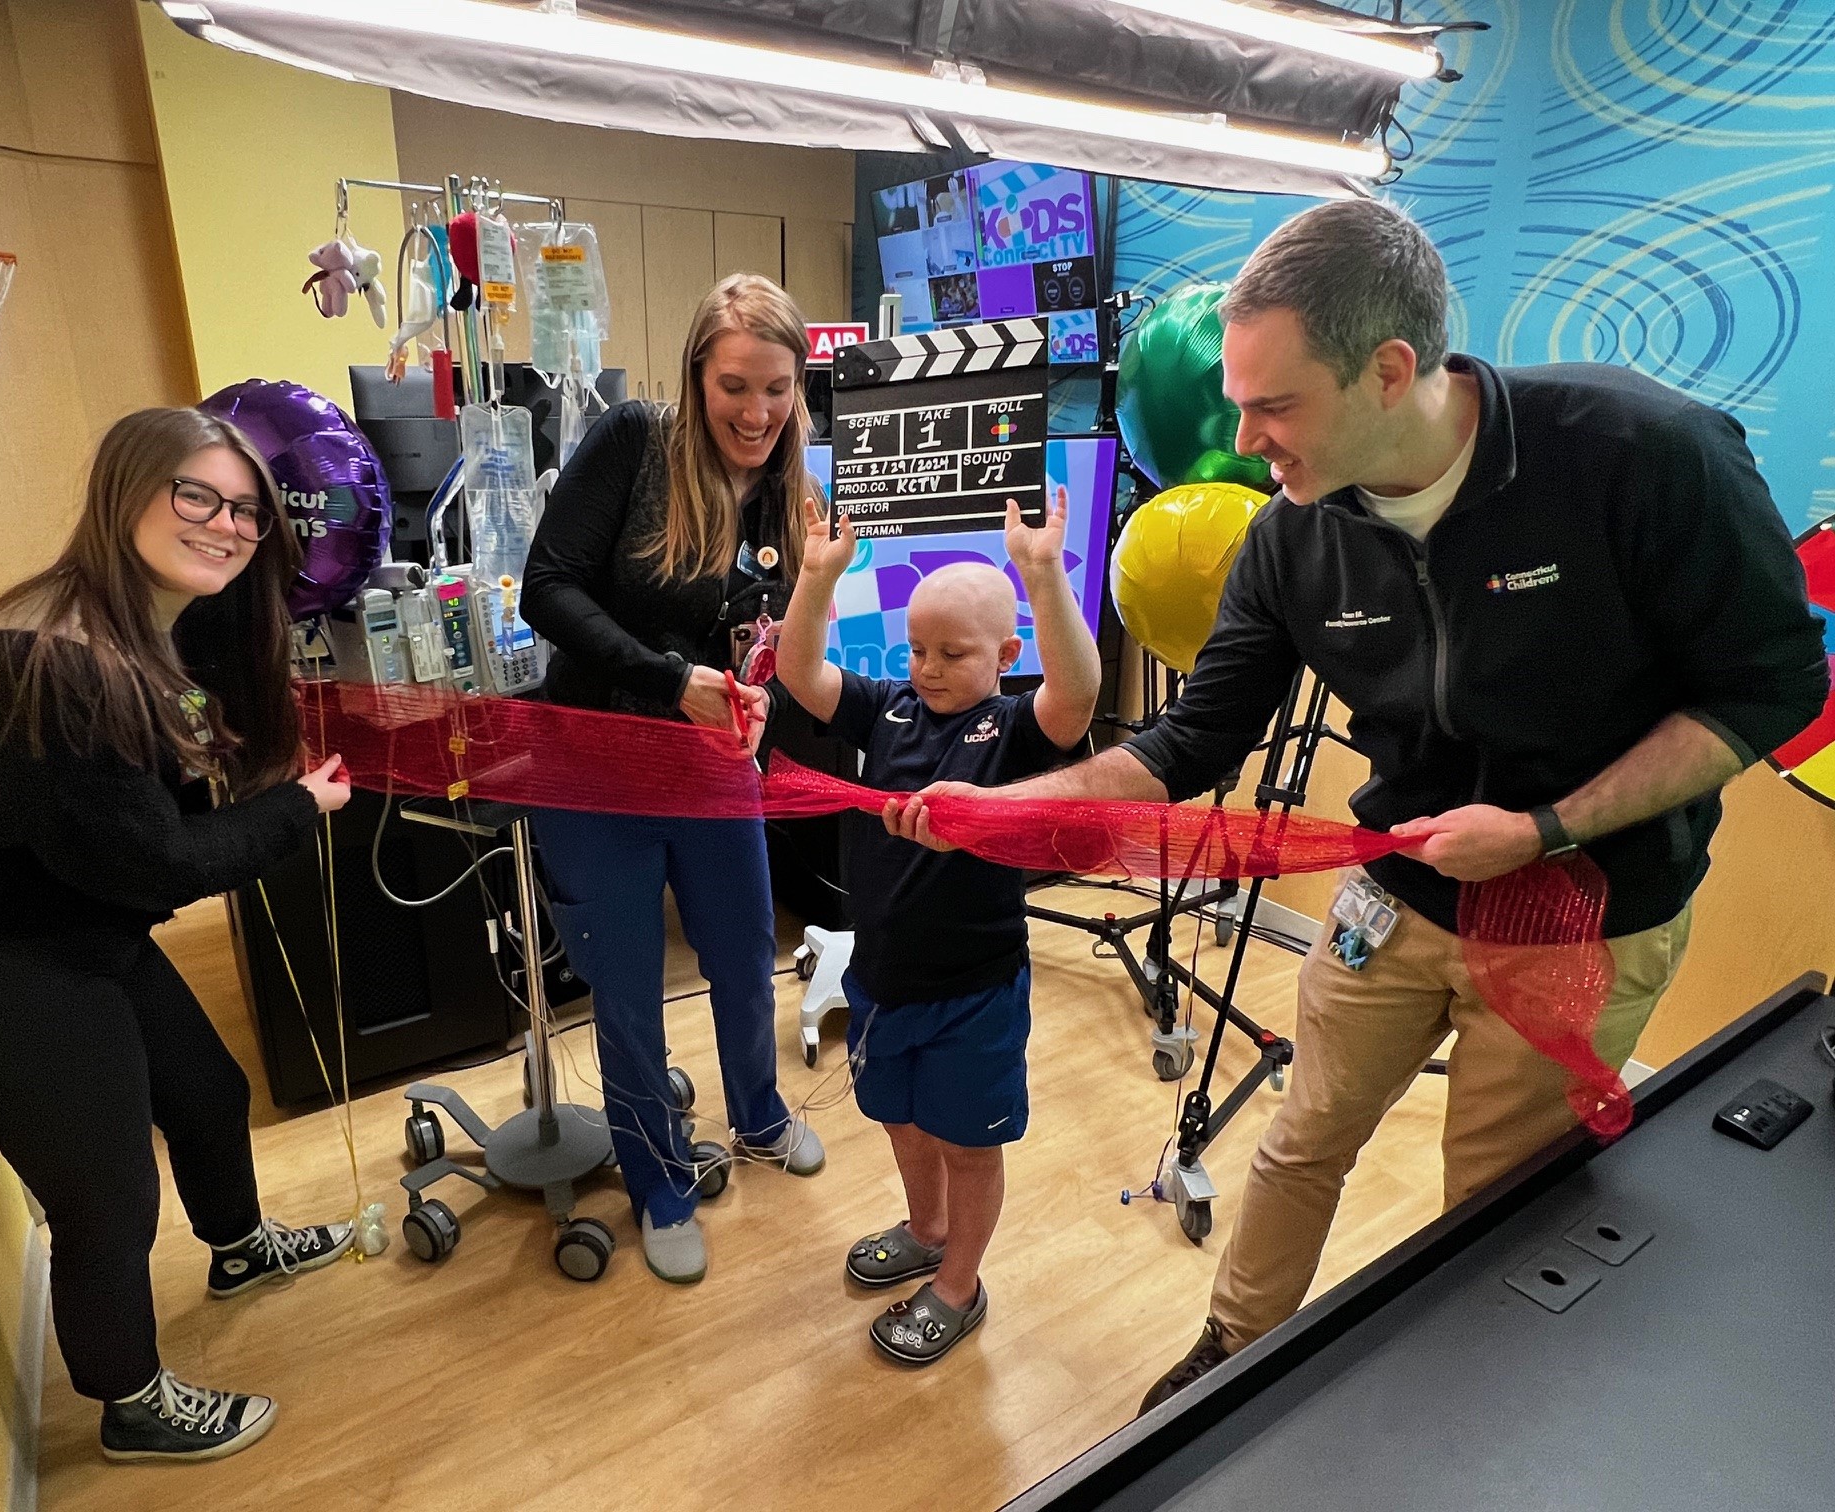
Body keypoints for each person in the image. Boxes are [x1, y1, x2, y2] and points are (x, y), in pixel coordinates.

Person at [882, 199, 1828, 1407]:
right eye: (1236, 401)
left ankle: (1469, 1421)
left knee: (1500, 1215)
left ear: (1391, 371)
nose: (1245, 436)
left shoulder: (1646, 458)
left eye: (1273, 406)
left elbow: (1772, 688)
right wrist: (1009, 809)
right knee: (1300, 1140)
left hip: (1583, 910)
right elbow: (1189, 742)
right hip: (1393, 897)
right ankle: (1226, 1359)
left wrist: (1545, 830)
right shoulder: (1293, 537)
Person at [0, 407, 357, 1463]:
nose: (225, 526)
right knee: (109, 1197)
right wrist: (296, 807)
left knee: (210, 1094)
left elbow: (172, 737)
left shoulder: (135, 628)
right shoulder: (51, 660)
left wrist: (227, 747)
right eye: (198, 498)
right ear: (126, 493)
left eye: (243, 512)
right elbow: (160, 862)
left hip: (75, 928)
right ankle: (131, 1402)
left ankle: (238, 1246)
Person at [521, 273, 827, 1285]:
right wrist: (668, 679)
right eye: (736, 386)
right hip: (597, 760)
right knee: (628, 988)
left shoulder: (790, 486)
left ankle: (759, 1115)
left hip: (709, 767)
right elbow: (545, 588)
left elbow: (764, 638)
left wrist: (759, 687)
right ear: (697, 375)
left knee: (745, 952)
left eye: (778, 389)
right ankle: (658, 1178)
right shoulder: (634, 446)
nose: (756, 413)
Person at [777, 489, 1100, 1362]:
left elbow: (1077, 696)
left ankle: (959, 1283)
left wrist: (1041, 575)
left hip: (975, 992)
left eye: (953, 653)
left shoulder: (1013, 729)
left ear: (1005, 655)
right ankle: (926, 1232)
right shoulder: (885, 707)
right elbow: (801, 678)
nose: (928, 667)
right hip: (882, 982)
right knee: (901, 1121)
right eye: (918, 648)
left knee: (969, 1147)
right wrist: (816, 582)